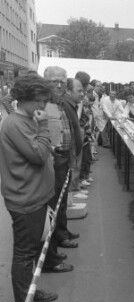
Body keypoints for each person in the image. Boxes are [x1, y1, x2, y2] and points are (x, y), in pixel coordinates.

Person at [0, 74, 60, 302]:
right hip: (25, 200)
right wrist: (44, 128)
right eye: (40, 100)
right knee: (25, 254)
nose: (43, 106)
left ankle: (30, 295)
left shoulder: (25, 119)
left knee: (33, 249)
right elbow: (37, 154)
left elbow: (39, 150)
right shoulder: (15, 124)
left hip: (33, 196)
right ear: (25, 98)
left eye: (45, 101)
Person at [44, 67, 79, 266]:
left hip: (63, 159)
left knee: (60, 202)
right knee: (52, 206)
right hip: (52, 162)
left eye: (62, 82)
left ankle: (59, 237)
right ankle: (51, 256)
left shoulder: (59, 103)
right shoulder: (44, 104)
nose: (59, 85)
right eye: (54, 81)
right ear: (45, 82)